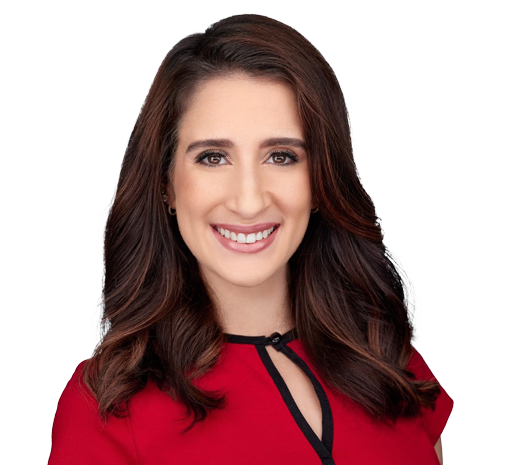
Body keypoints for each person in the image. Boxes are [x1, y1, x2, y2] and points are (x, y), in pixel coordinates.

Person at [48, 13, 454, 465]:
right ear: (166, 184)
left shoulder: (390, 364)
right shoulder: (106, 405)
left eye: (281, 156)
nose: (248, 200)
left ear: (321, 181)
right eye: (212, 157)